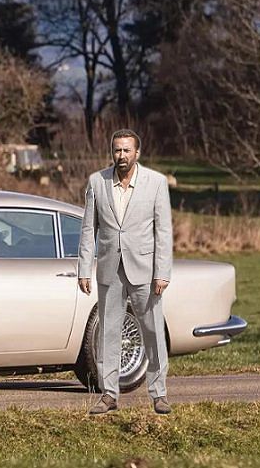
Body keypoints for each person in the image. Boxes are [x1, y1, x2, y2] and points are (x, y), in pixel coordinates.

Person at [76, 128, 173, 415]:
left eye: (126, 150)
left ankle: (159, 393)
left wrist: (162, 272)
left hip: (145, 270)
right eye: (117, 150)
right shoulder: (97, 182)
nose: (121, 155)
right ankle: (109, 394)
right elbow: (87, 229)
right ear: (112, 152)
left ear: (137, 153)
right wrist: (84, 268)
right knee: (108, 331)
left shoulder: (156, 183)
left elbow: (163, 231)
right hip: (109, 269)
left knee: (153, 330)